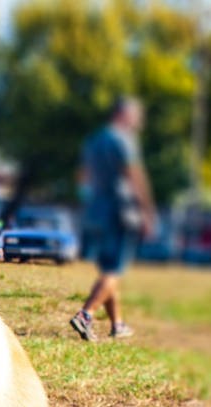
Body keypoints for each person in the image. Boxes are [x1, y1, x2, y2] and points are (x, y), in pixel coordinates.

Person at [70, 96, 156, 342]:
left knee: (108, 271)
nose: (139, 121)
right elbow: (135, 177)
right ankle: (85, 315)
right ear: (124, 114)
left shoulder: (94, 140)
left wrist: (88, 201)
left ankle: (117, 324)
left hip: (95, 211)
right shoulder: (123, 140)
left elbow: (82, 176)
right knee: (114, 272)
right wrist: (147, 211)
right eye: (137, 115)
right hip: (121, 211)